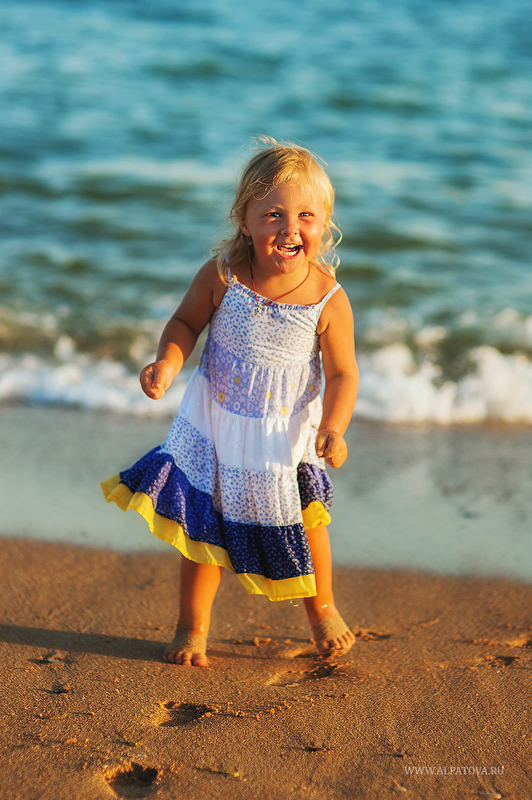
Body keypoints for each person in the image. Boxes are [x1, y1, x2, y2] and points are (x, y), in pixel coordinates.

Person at [101, 137, 359, 667]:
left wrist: (333, 427)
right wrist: (167, 362)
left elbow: (343, 373)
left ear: (324, 223)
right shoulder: (223, 275)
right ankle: (191, 627)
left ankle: (323, 611)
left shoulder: (328, 298)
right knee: (203, 530)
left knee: (307, 524)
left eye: (306, 216)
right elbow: (185, 322)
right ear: (244, 219)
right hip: (218, 425)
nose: (290, 228)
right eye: (273, 215)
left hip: (282, 434)